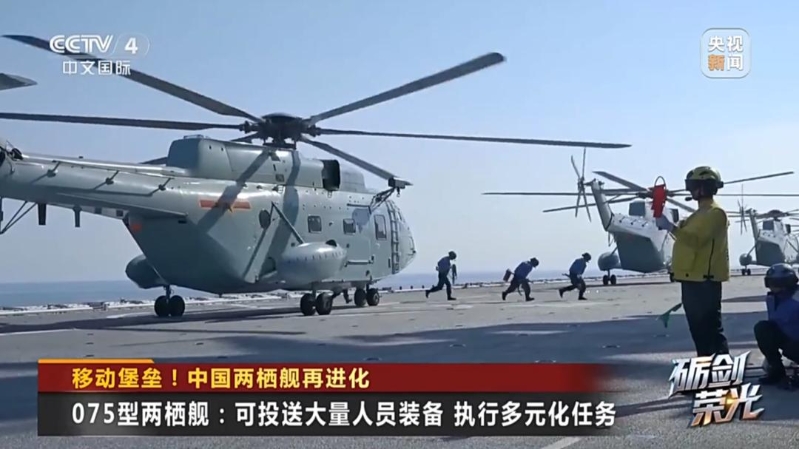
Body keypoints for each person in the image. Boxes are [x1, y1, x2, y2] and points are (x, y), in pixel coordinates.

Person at [655, 166, 729, 357]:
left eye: (694, 186)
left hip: (705, 279)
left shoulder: (715, 213)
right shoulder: (698, 215)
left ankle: (721, 366)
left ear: (706, 187)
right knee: (698, 330)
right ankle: (706, 363)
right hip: (691, 277)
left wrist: (671, 227)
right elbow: (684, 235)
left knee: (710, 329)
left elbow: (696, 240)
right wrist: (660, 211)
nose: (691, 190)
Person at [755, 263, 799, 387]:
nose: (772, 287)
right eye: (770, 283)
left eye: (776, 283)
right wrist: (769, 359)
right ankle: (776, 371)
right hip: (789, 341)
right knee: (763, 328)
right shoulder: (772, 299)